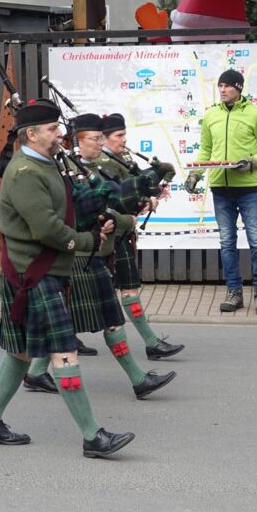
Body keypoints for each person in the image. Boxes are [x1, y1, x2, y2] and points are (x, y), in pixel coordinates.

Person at [0, 100, 134, 458]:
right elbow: (45, 228)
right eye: (53, 129)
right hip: (33, 272)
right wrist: (87, 241)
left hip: (41, 271)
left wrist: (101, 214)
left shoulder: (46, 165)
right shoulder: (24, 172)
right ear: (32, 134)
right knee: (64, 351)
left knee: (21, 353)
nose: (61, 134)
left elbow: (68, 203)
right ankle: (94, 436)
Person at [21, 114, 177, 399]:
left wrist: (144, 186)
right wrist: (120, 220)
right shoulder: (57, 169)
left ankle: (33, 374)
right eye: (95, 138)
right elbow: (68, 210)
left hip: (89, 250)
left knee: (66, 319)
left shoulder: (80, 166)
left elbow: (104, 198)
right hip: (78, 253)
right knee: (109, 319)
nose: (100, 143)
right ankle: (138, 379)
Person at [185, 69, 257, 316]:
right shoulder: (211, 116)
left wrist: (252, 161)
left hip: (248, 189)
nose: (223, 90)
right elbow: (206, 150)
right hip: (220, 188)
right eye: (220, 86)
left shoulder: (256, 114)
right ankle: (234, 292)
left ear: (239, 88)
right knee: (227, 243)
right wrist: (196, 174)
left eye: (228, 86)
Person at [97, 113, 185, 360]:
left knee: (128, 290)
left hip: (122, 234)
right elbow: (116, 200)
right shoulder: (103, 163)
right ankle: (37, 369)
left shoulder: (121, 158)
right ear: (104, 138)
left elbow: (134, 187)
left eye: (124, 134)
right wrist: (144, 200)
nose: (124, 140)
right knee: (81, 300)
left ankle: (151, 342)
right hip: (108, 236)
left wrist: (153, 186)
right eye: (119, 135)